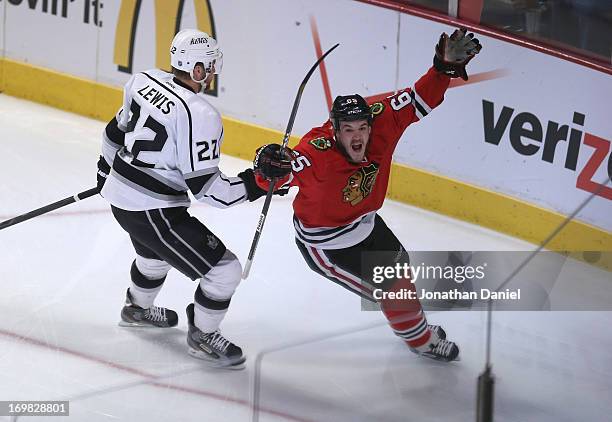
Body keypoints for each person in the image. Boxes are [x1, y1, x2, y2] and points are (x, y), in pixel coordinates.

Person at [254, 28, 482, 362]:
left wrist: (441, 69)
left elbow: (422, 97)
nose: (357, 136)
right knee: (393, 291)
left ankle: (413, 326)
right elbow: (278, 176)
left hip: (366, 222)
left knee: (402, 271)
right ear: (334, 130)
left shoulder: (383, 117)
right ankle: (420, 340)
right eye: (348, 130)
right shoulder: (316, 151)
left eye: (362, 127)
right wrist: (267, 165)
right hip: (327, 243)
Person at [96, 29, 280, 369]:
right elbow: (211, 192)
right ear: (196, 69)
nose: (211, 73)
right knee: (225, 271)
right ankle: (203, 336)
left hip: (122, 199)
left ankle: (137, 308)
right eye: (208, 66)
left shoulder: (142, 80)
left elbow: (113, 133)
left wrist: (105, 169)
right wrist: (258, 184)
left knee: (154, 256)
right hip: (153, 209)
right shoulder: (201, 114)